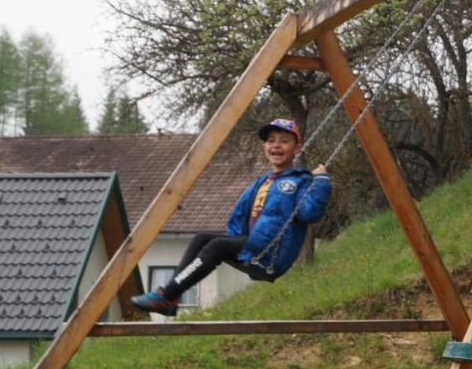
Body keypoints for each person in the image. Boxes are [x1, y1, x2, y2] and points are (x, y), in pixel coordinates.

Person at [130, 118, 331, 316]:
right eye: (271, 140)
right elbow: (239, 217)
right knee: (202, 239)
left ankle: (166, 296)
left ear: (297, 148)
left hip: (269, 256)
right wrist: (233, 242)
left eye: (284, 140)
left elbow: (310, 213)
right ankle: (170, 297)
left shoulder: (301, 181)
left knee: (217, 246)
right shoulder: (261, 182)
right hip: (253, 247)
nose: (276, 145)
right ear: (264, 146)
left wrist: (320, 180)